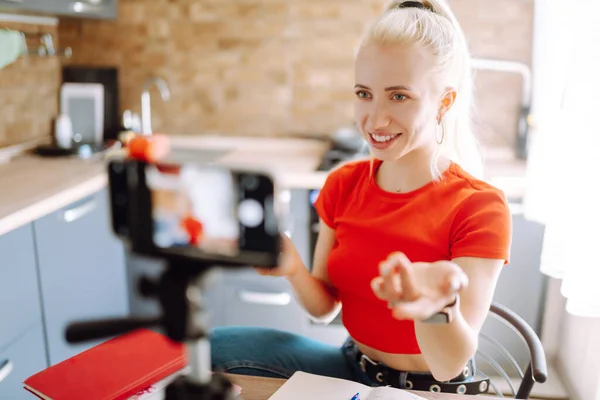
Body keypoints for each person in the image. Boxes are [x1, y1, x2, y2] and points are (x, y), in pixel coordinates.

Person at [210, 0, 512, 395]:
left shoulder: (479, 207)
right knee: (207, 349)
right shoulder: (343, 184)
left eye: (399, 96)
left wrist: (436, 310)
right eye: (364, 93)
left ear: (444, 102)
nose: (374, 120)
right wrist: (291, 267)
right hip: (350, 365)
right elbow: (324, 309)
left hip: (428, 390)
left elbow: (448, 365)